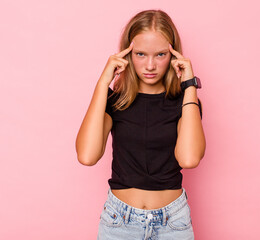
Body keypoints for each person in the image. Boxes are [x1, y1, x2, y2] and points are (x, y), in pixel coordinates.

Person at [75, 9, 205, 240]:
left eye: (161, 55)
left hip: (173, 223)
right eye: (141, 54)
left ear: (174, 55)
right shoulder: (115, 101)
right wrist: (104, 81)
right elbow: (87, 155)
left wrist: (189, 85)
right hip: (119, 222)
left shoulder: (186, 102)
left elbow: (189, 159)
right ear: (127, 53)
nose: (150, 66)